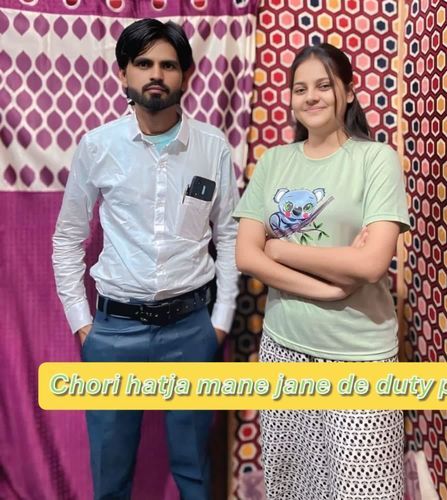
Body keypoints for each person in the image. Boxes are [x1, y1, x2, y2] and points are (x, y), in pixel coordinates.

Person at [52, 19, 239, 500]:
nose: (156, 74)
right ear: (124, 73)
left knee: (195, 473)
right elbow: (68, 237)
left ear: (186, 75)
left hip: (191, 329)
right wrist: (82, 323)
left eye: (168, 65)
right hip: (113, 333)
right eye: (144, 63)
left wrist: (219, 321)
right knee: (110, 474)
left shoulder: (213, 147)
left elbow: (231, 235)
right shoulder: (98, 146)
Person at [233, 43, 410, 500]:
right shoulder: (275, 161)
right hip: (284, 349)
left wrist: (280, 249)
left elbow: (371, 264)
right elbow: (247, 256)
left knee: (364, 489)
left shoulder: (376, 159)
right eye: (300, 88)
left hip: (360, 355)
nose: (311, 97)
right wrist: (330, 287)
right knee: (295, 487)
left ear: (348, 92)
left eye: (323, 86)